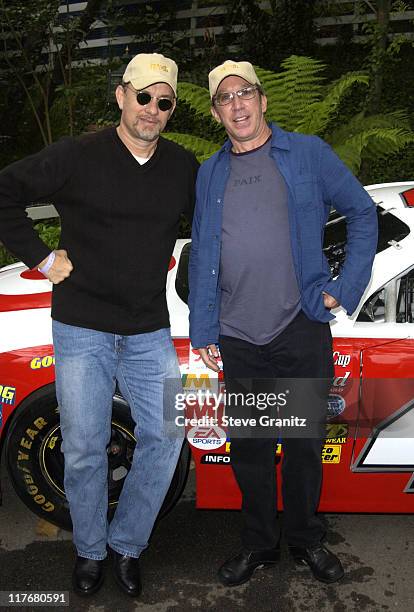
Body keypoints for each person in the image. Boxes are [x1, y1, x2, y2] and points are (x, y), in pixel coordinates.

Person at [0, 53, 198, 597]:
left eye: (165, 102)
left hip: (148, 330)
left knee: (166, 434)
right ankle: (89, 550)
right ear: (121, 95)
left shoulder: (183, 167)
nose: (152, 110)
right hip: (81, 328)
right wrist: (42, 259)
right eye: (144, 97)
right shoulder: (78, 155)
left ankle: (127, 544)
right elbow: (5, 193)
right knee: (85, 446)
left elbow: (220, 227)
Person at [188, 60, 378, 586]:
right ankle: (258, 546)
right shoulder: (211, 172)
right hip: (239, 335)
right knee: (249, 451)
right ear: (215, 113)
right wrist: (203, 328)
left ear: (263, 100)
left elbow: (363, 213)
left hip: (299, 326)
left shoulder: (308, 154)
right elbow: (203, 248)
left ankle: (306, 540)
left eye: (245, 92)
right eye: (225, 99)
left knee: (301, 449)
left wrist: (345, 286)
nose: (237, 104)